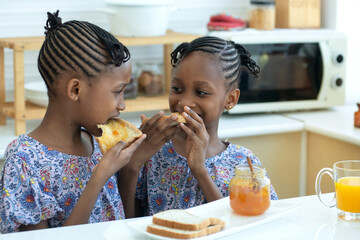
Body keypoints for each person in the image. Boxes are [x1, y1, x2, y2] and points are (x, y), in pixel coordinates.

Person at [0, 10, 145, 233]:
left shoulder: (98, 143)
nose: (122, 105)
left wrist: (133, 164)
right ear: (75, 89)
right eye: (117, 92)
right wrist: (98, 177)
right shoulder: (24, 160)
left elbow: (123, 220)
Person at [119, 36, 278, 218]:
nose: (184, 102)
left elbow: (249, 227)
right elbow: (125, 223)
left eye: (201, 92)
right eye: (177, 89)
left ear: (230, 99)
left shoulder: (243, 164)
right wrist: (134, 162)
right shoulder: (152, 153)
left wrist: (199, 169)